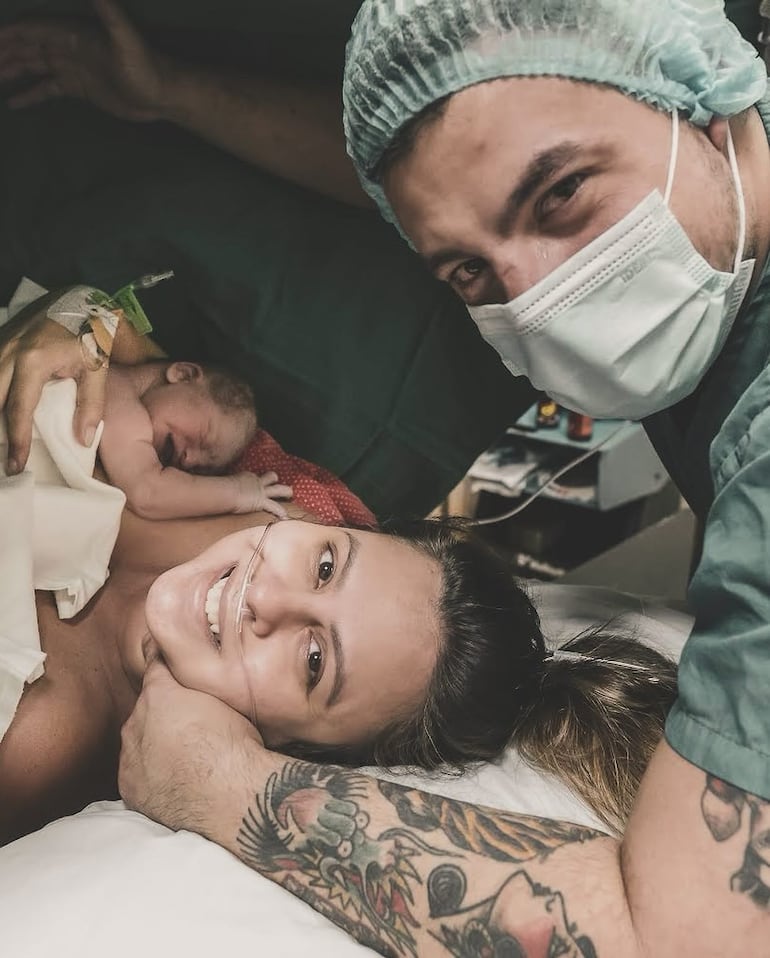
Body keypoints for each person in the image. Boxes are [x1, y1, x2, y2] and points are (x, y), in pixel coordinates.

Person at [100, 358, 291, 519]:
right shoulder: (112, 384)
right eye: (202, 438)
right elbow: (147, 491)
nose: (189, 461)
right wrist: (237, 492)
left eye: (201, 470)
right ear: (183, 374)